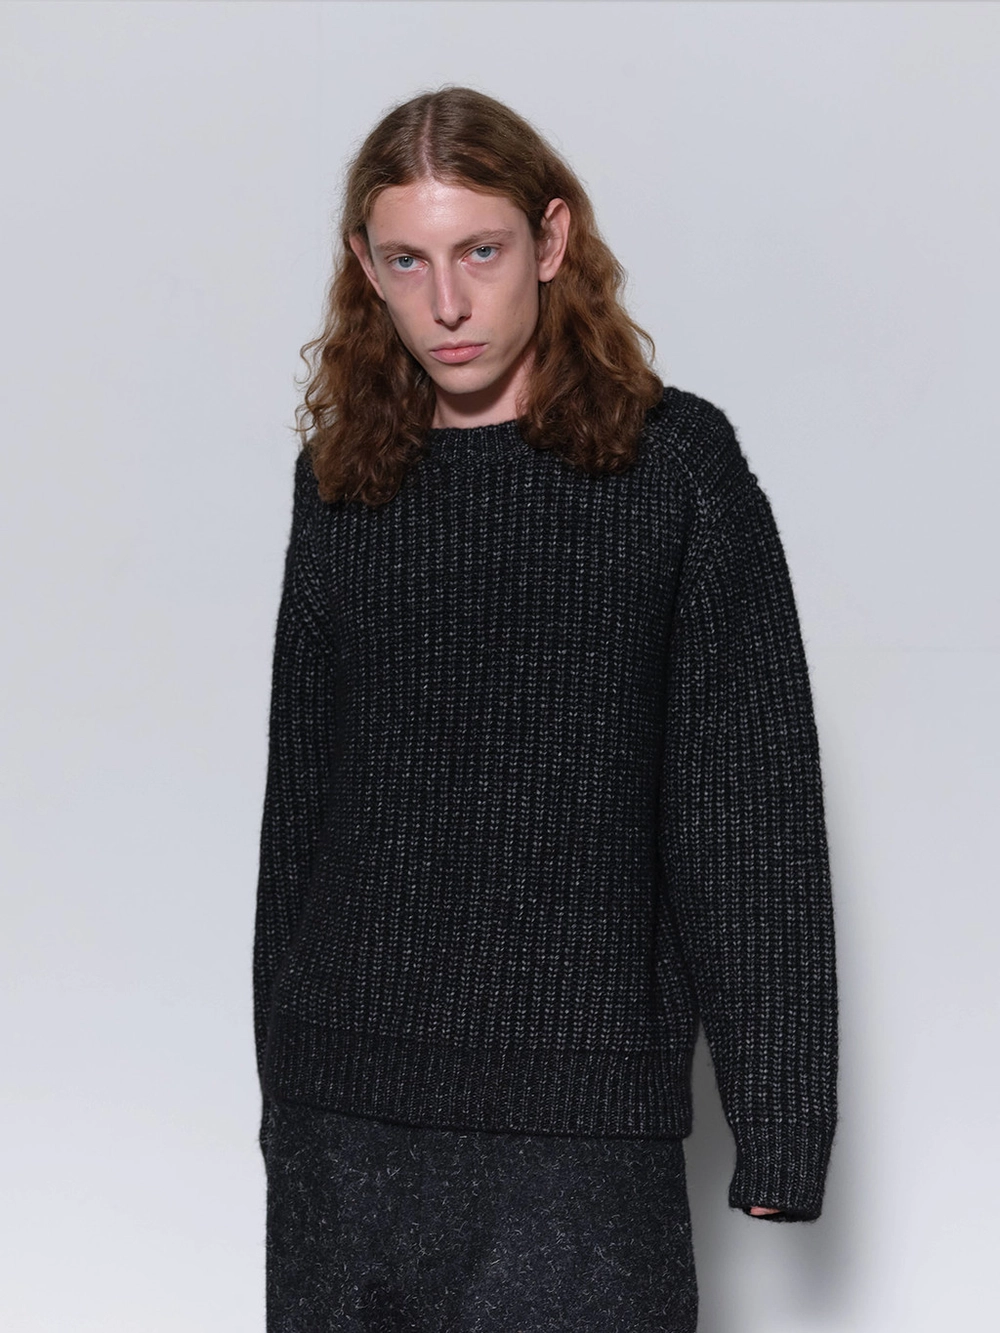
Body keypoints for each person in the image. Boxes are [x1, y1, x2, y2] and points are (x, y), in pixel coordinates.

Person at [253, 85, 838, 1332]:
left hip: (579, 1133)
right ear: (364, 264)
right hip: (342, 1115)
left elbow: (745, 807)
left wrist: (781, 1122)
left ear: (552, 240)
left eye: (480, 251)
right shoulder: (341, 478)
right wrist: (279, 1088)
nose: (446, 303)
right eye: (406, 261)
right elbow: (299, 805)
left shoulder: (673, 468)